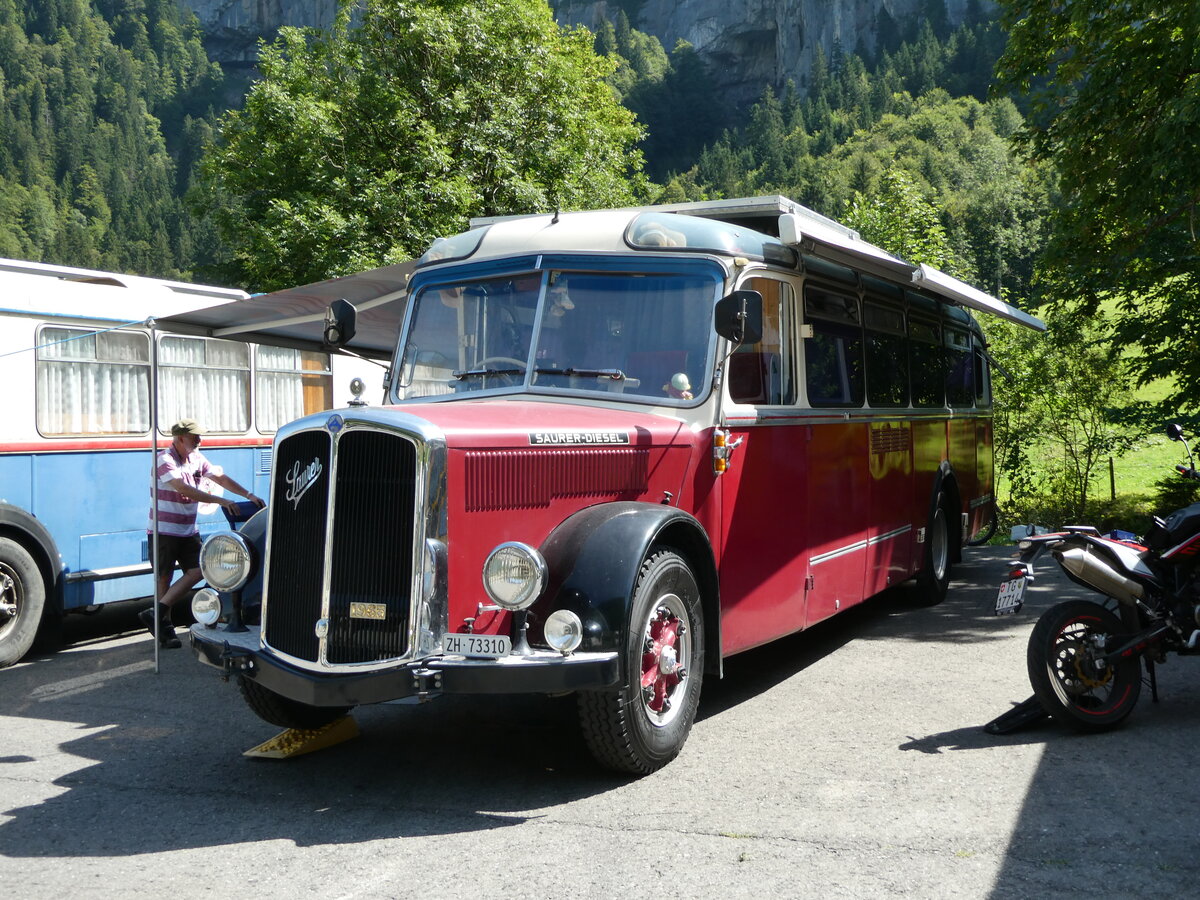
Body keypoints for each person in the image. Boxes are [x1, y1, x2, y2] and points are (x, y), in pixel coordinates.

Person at [140, 418, 264, 649]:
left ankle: (157, 612)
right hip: (164, 530)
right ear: (179, 438)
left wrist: (248, 494)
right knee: (164, 577)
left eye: (199, 436)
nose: (199, 440)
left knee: (199, 570)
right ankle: (165, 629)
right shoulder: (164, 460)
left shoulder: (196, 457)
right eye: (194, 436)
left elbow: (219, 477)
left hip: (188, 529)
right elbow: (183, 488)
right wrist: (220, 500)